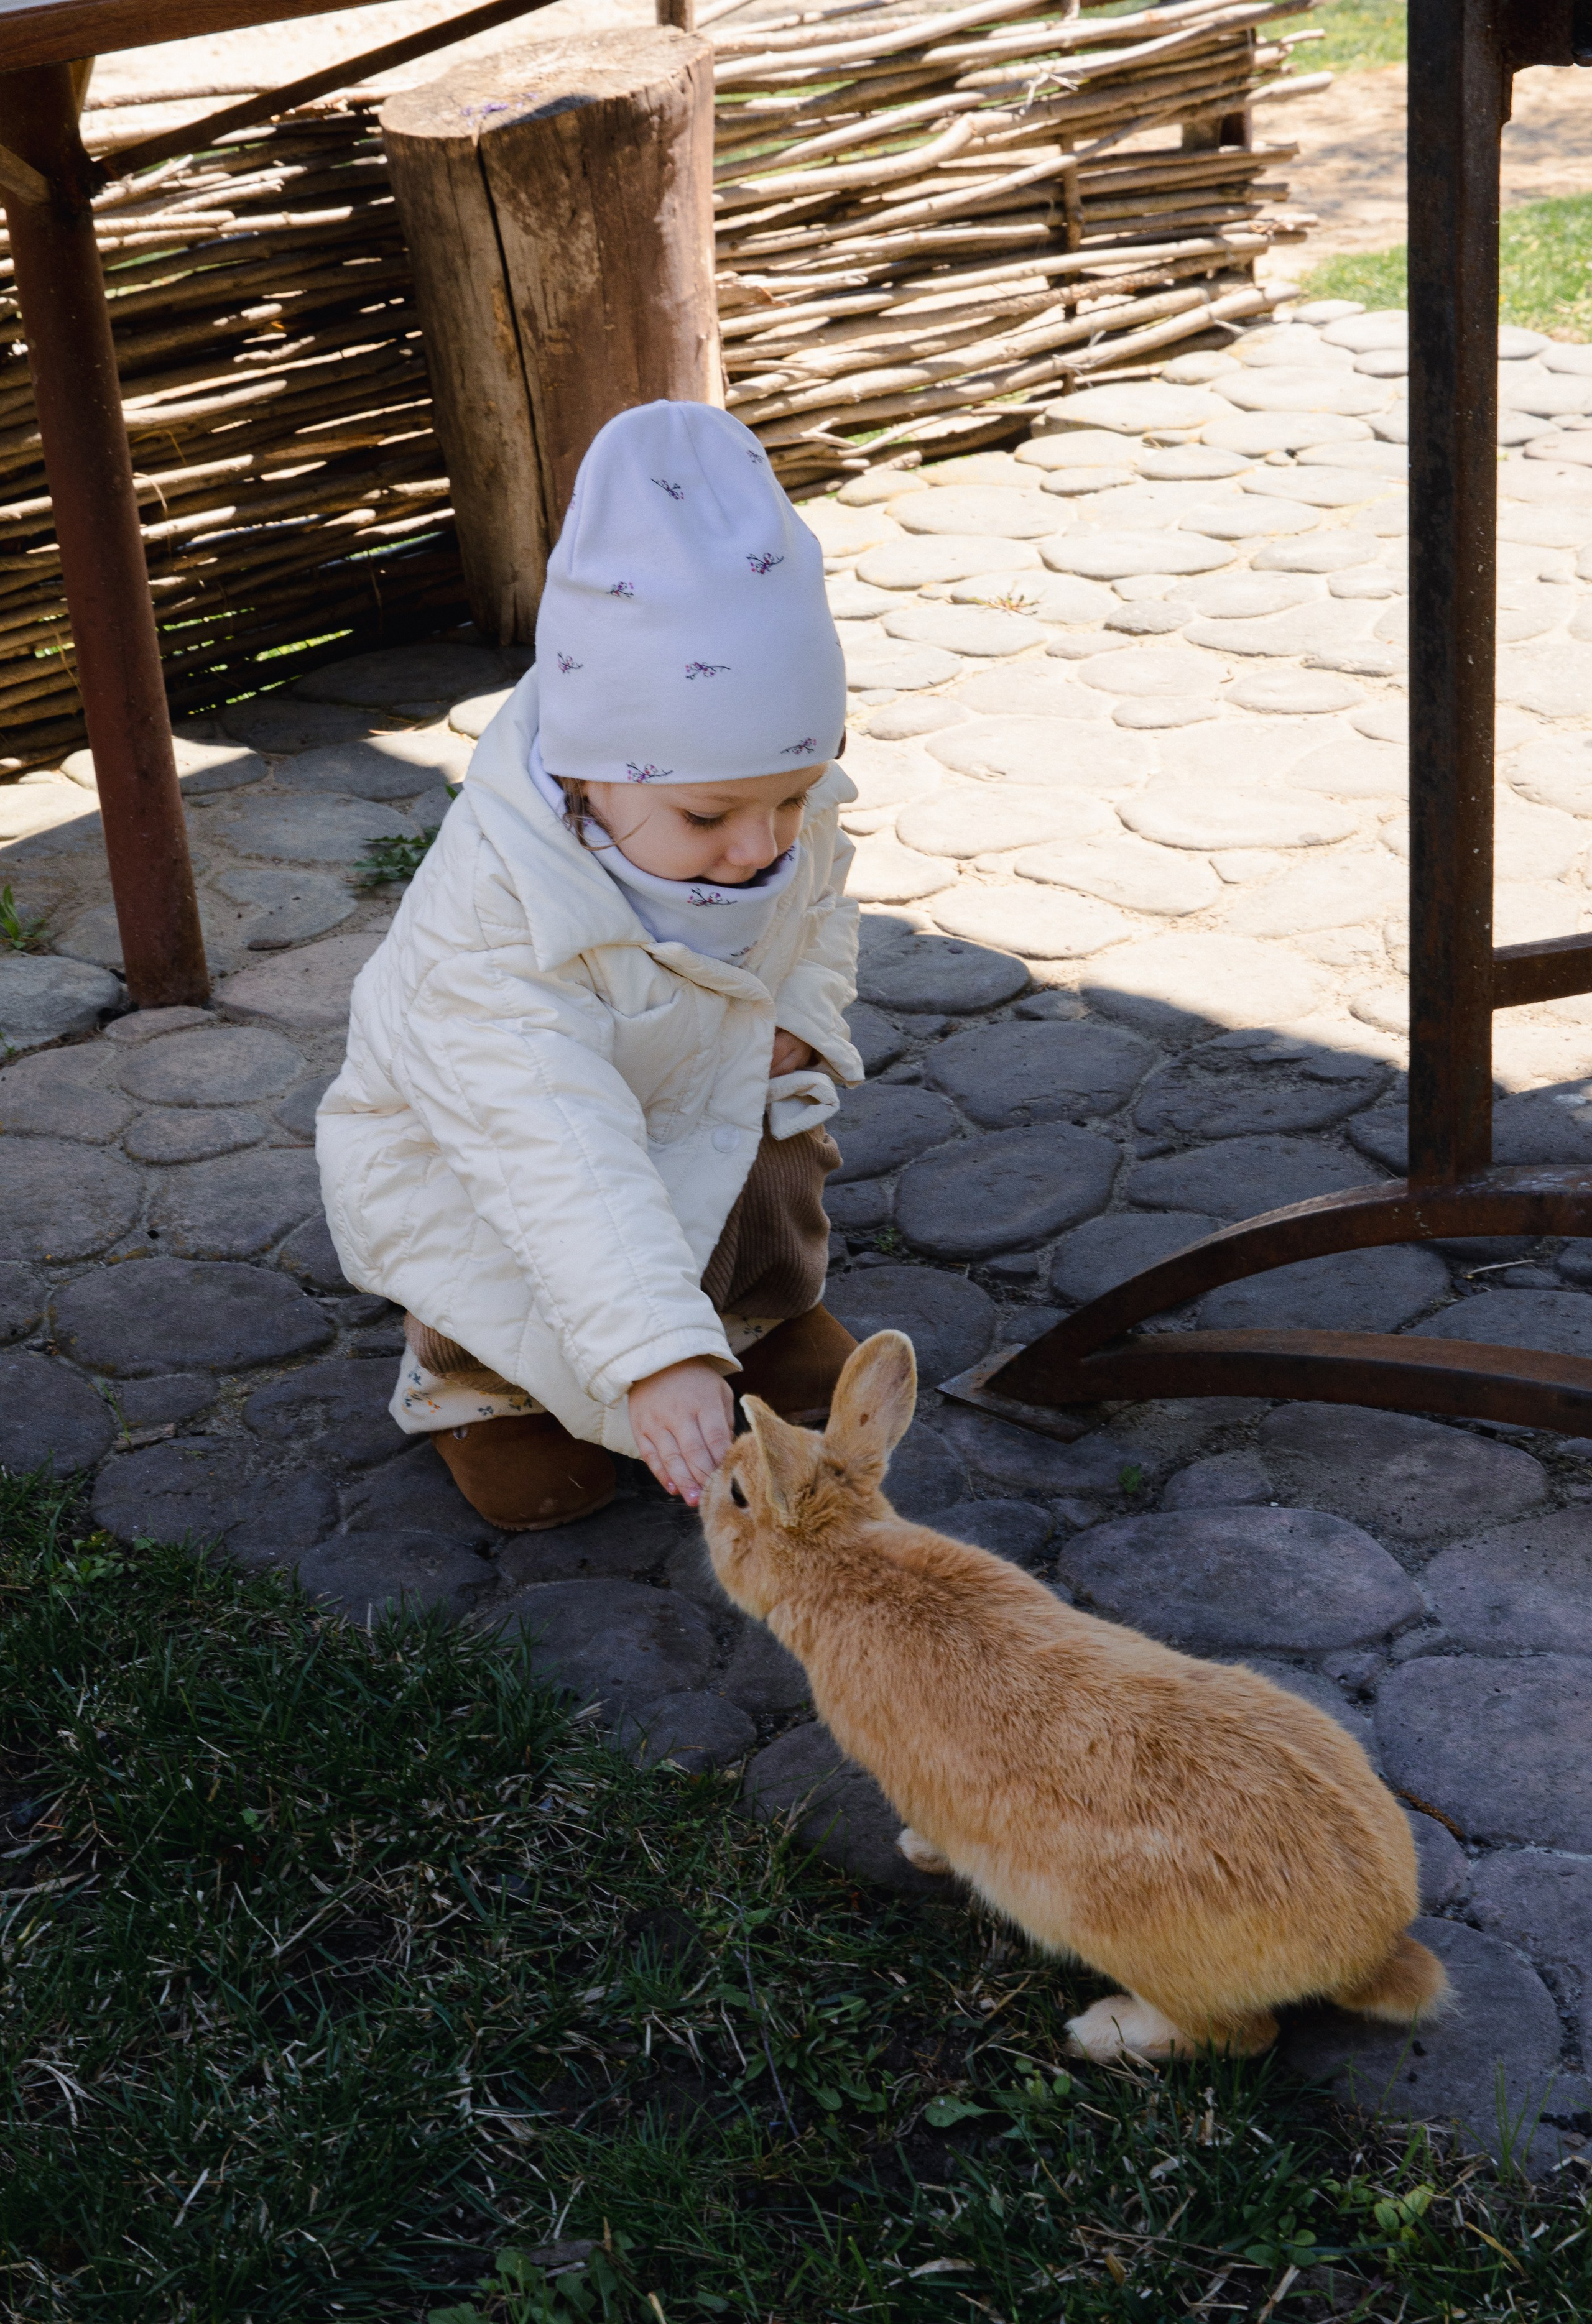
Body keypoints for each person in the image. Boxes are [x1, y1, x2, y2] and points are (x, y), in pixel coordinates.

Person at [316, 400, 863, 1534]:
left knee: (772, 1136)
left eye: (793, 798)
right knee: (508, 1241)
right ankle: (479, 1386)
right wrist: (654, 1356)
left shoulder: (754, 818)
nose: (761, 845)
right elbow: (554, 1156)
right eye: (713, 813)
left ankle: (754, 1320)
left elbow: (819, 911)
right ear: (586, 775)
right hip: (499, 1150)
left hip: (677, 1083)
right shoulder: (496, 930)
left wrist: (803, 1007)